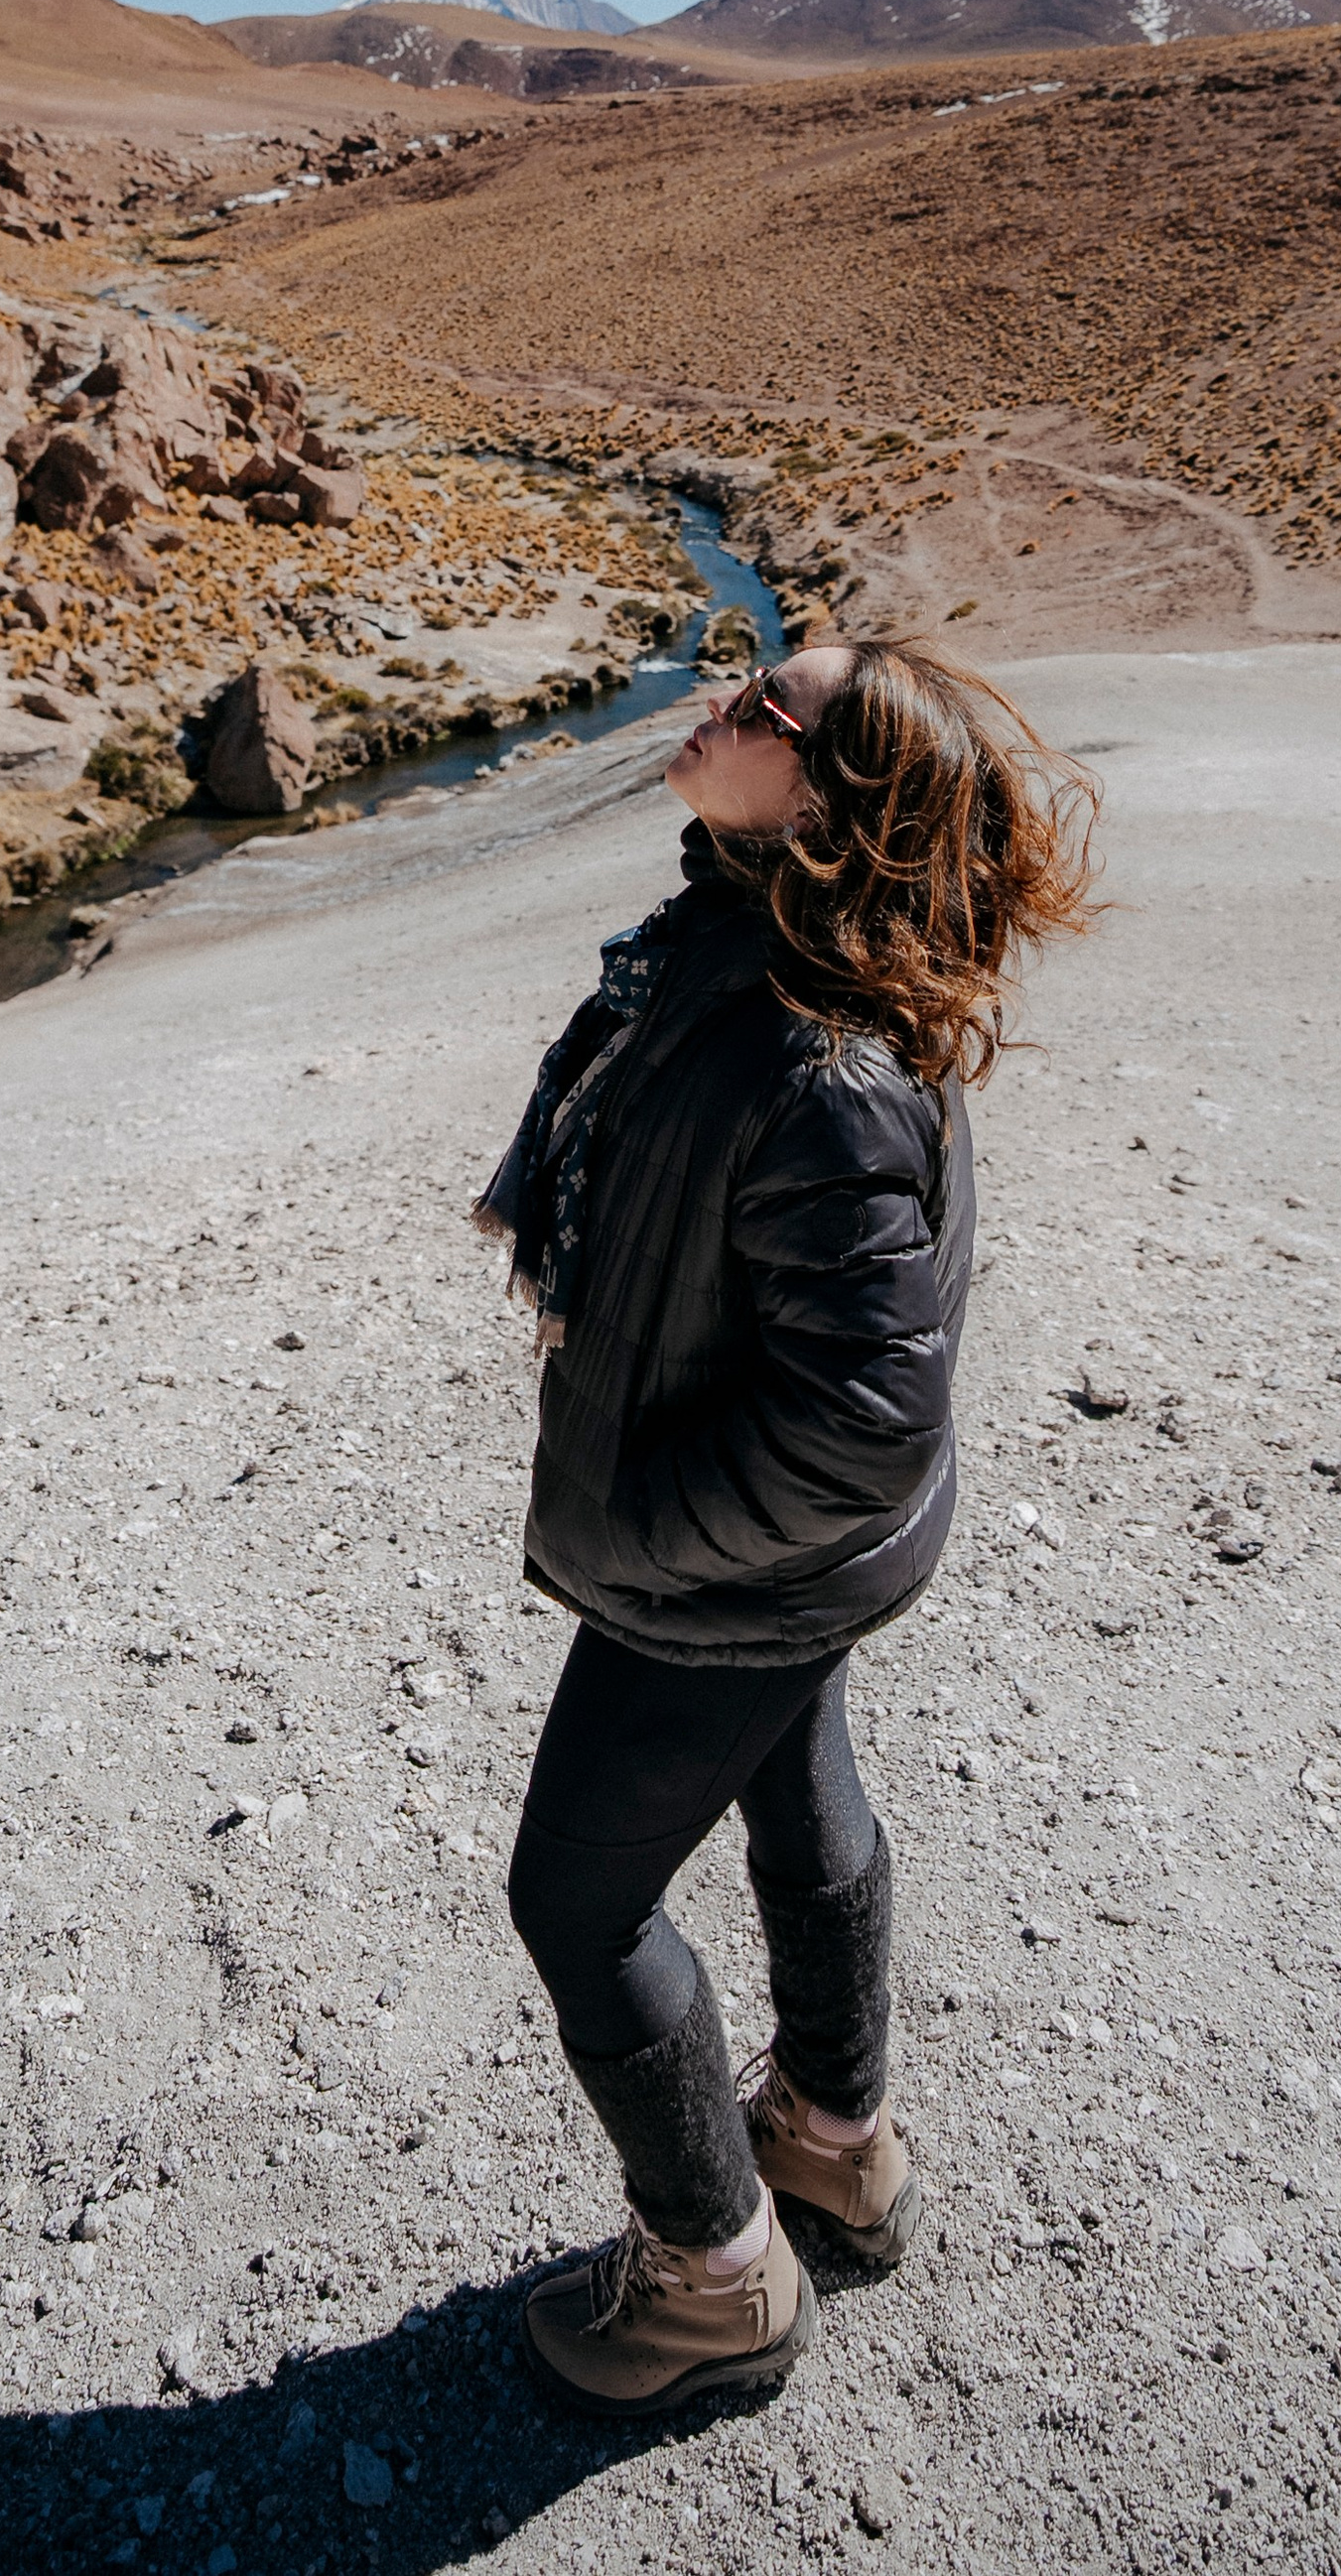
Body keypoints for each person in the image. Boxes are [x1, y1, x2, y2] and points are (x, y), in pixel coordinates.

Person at [473, 633, 1097, 2419]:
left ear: (822, 797)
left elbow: (860, 1434)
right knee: (801, 1786)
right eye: (747, 670)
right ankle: (835, 2141)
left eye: (768, 707)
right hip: (773, 1579)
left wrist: (646, 1533)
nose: (726, 701)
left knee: (577, 1907)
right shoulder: (764, 947)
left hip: (725, 1574)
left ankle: (715, 2273)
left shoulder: (822, 1064)